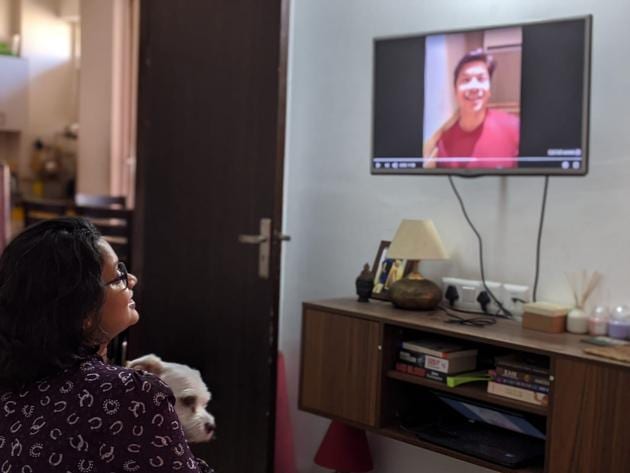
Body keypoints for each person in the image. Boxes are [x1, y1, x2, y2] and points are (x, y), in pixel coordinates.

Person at [0, 217, 212, 472]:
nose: (131, 280)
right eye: (118, 276)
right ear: (84, 313)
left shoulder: (14, 384)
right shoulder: (132, 395)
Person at [423, 49, 519, 169]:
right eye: (466, 80)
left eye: (481, 79)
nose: (474, 87)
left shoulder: (514, 128)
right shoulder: (443, 140)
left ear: (489, 89)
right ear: (455, 89)